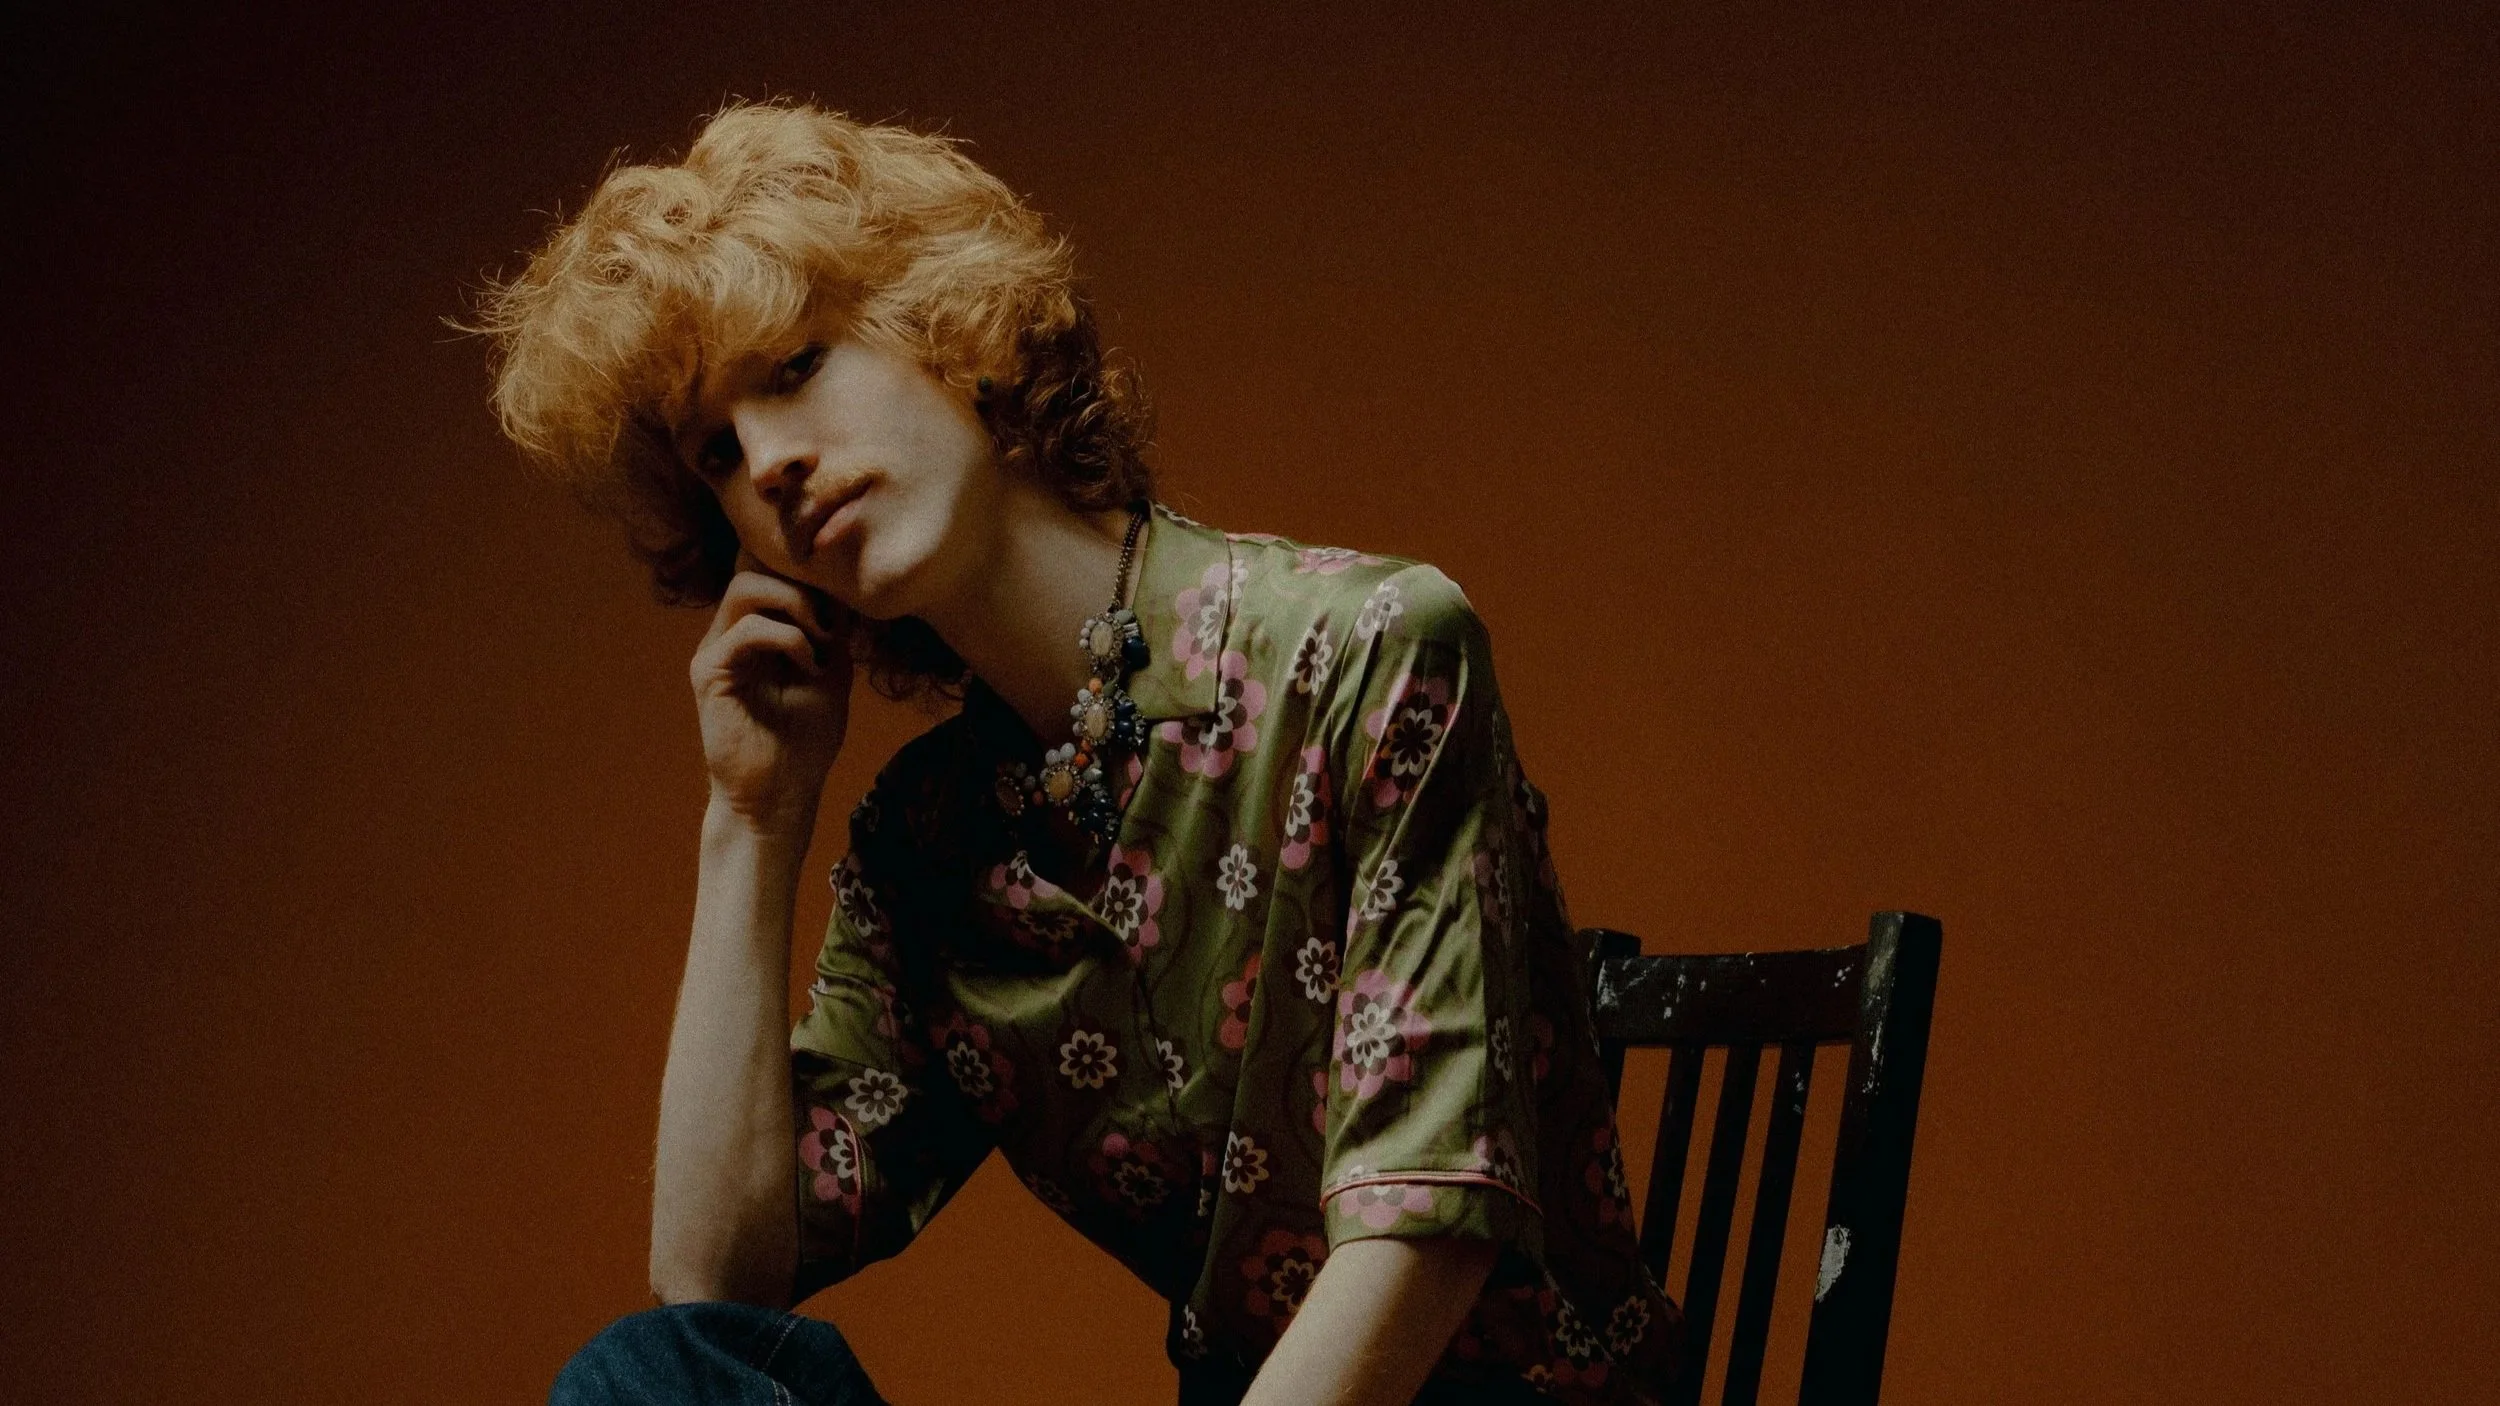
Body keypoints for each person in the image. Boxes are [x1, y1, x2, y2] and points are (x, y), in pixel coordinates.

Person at [479, 100, 1682, 1406]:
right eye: (718, 451)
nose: (769, 462)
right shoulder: (932, 840)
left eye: (795, 366)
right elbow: (715, 1281)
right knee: (645, 1379)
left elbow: (1424, 1238)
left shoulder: (1370, 651)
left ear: (951, 327)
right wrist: (751, 819)